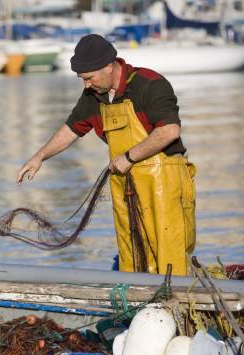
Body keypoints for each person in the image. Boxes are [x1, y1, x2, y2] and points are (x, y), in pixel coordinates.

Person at [16, 34, 196, 276]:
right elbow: (72, 128)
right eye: (82, 79)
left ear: (109, 66)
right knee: (131, 253)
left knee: (169, 255)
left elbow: (169, 131)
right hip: (125, 184)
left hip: (165, 181)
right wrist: (39, 157)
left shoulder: (149, 84)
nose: (86, 85)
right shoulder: (94, 96)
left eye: (88, 78)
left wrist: (129, 158)